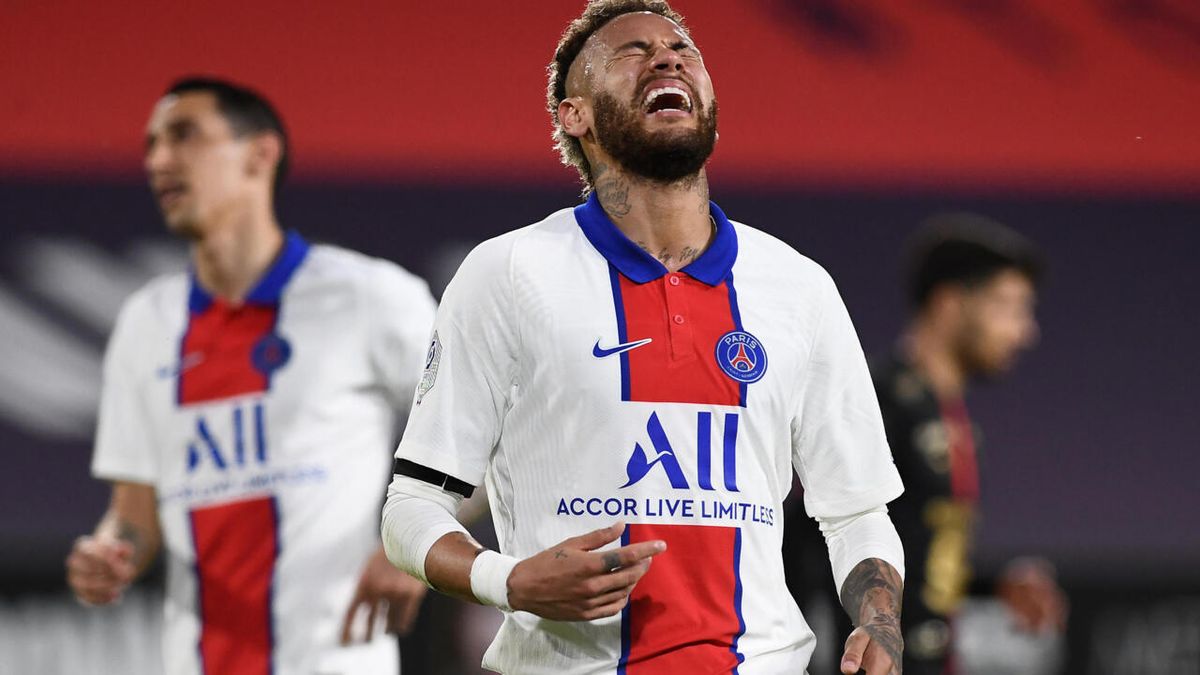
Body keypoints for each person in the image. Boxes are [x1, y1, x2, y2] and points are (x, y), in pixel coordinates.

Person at [381, 2, 906, 673]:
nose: (668, 57)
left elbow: (856, 508)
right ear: (576, 115)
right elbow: (411, 506)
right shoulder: (510, 273)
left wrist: (879, 620)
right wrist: (508, 580)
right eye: (632, 51)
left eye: (683, 48)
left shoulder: (797, 287)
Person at [64, 77, 436, 674]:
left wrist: (415, 544)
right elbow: (134, 508)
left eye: (184, 135)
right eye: (151, 145)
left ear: (261, 154)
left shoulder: (369, 297)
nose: (159, 160)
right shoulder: (146, 322)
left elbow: (485, 434)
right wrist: (111, 553)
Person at [786, 214, 1067, 675]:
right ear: (950, 304)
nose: (1024, 331)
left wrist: (993, 588)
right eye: (1008, 307)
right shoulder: (880, 401)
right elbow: (809, 538)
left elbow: (916, 564)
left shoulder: (946, 414)